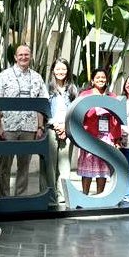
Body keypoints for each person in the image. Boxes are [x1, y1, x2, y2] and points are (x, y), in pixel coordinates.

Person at [0, 45, 48, 196]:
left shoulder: (37, 77)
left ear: (31, 56)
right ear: (15, 57)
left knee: (24, 166)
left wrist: (40, 126)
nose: (24, 57)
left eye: (26, 54)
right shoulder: (4, 75)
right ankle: (4, 197)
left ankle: (20, 197)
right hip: (8, 127)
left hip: (29, 128)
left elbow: (41, 104)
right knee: (5, 165)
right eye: (20, 55)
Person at [76, 68, 121, 195]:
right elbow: (78, 115)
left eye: (103, 77)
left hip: (106, 136)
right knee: (87, 168)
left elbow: (116, 119)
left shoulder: (112, 96)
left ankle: (100, 195)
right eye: (98, 77)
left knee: (102, 168)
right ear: (92, 80)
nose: (101, 80)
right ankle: (85, 195)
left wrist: (116, 138)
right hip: (89, 136)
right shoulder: (85, 95)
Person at [46, 57, 78, 203]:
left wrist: (65, 126)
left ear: (68, 71)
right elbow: (44, 110)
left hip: (67, 130)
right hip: (51, 129)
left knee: (65, 165)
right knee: (50, 165)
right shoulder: (47, 89)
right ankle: (50, 196)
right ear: (53, 70)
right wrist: (55, 124)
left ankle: (63, 195)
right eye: (58, 69)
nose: (60, 72)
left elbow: (75, 111)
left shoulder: (73, 89)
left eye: (63, 69)